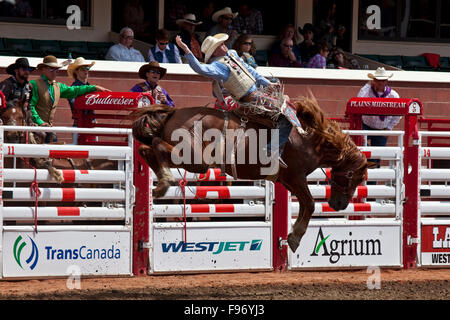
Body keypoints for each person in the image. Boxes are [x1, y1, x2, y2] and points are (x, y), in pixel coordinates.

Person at [175, 33, 306, 169]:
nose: (225, 46)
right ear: (215, 51)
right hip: (252, 99)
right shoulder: (217, 66)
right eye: (221, 45)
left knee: (286, 104)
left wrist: (268, 84)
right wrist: (187, 50)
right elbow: (200, 69)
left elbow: (250, 71)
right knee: (286, 114)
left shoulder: (232, 55)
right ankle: (272, 150)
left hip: (257, 94)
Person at [29, 55, 109, 143]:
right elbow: (30, 107)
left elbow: (74, 90)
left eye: (56, 70)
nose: (54, 72)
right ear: (43, 69)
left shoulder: (57, 86)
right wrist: (40, 122)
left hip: (48, 129)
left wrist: (93, 87)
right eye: (51, 69)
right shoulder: (34, 84)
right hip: (35, 128)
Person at [357, 67, 401, 168]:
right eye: (377, 80)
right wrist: (368, 85)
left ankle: (372, 182)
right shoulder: (368, 92)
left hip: (382, 129)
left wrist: (389, 128)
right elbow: (358, 100)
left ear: (386, 82)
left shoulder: (393, 95)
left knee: (376, 158)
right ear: (374, 81)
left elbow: (398, 115)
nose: (380, 83)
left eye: (382, 80)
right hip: (366, 125)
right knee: (360, 150)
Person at [66, 57, 96, 144]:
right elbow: (74, 104)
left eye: (87, 68)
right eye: (82, 69)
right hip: (79, 123)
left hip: (91, 123)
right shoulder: (73, 88)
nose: (86, 71)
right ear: (76, 71)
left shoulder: (90, 87)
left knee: (92, 151)